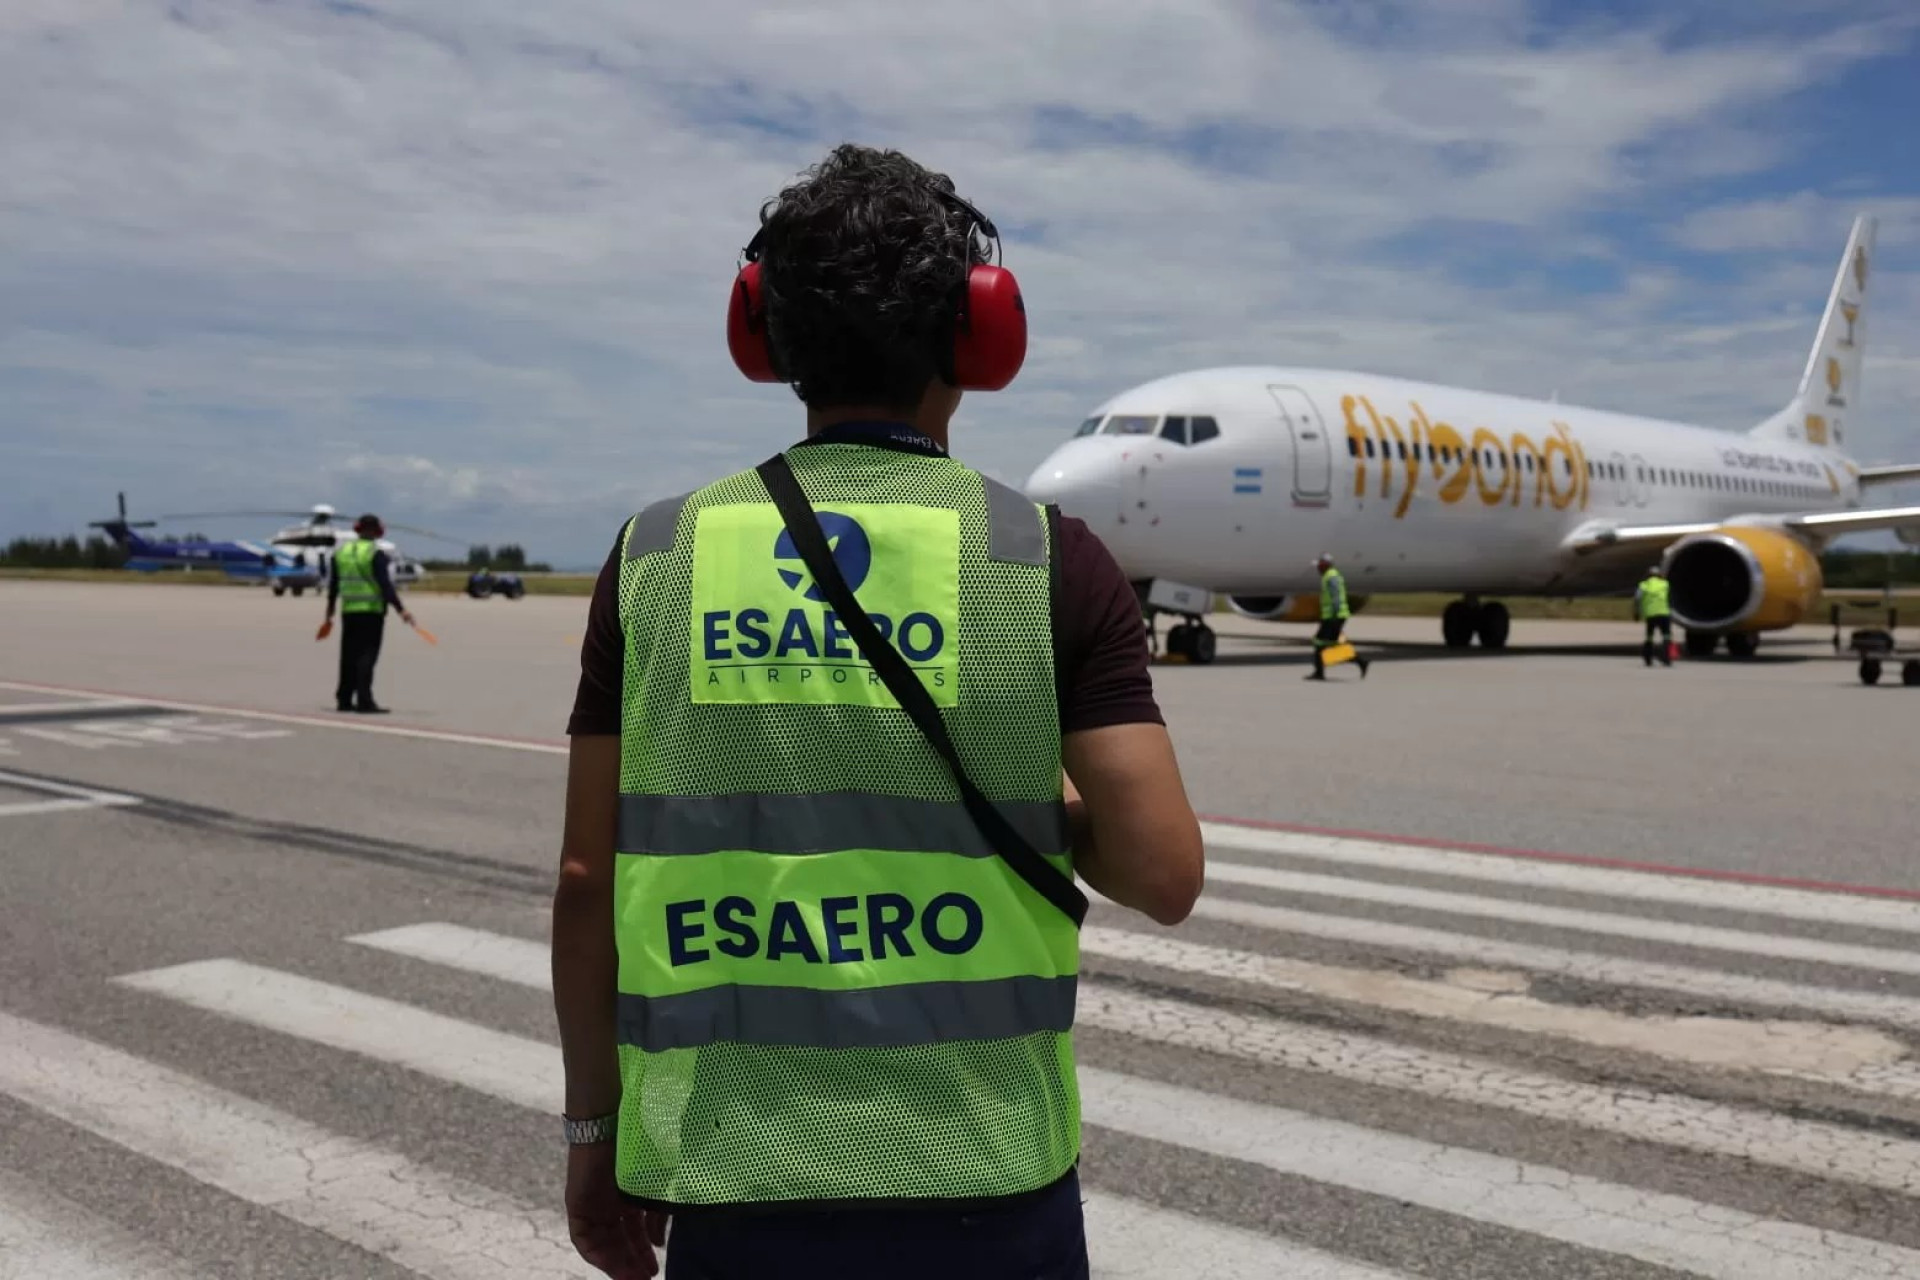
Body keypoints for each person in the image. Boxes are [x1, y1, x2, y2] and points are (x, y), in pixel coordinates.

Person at [550, 143, 1206, 1280]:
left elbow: (584, 882)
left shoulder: (657, 554)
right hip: (986, 1172)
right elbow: (1162, 873)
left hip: (733, 1166)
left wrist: (593, 1134)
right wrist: (1033, 789)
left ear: (762, 334)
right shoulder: (1046, 560)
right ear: (980, 337)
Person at [323, 513, 414, 713]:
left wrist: (329, 611)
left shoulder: (341, 552)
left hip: (348, 611)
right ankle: (365, 700)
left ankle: (344, 699)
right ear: (376, 531)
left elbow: (333, 585)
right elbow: (385, 585)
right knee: (367, 656)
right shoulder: (374, 553)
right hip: (371, 612)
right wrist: (401, 610)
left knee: (348, 656)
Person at [1306, 554, 1368, 681]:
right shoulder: (1330, 575)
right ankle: (1359, 662)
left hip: (1334, 617)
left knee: (1321, 643)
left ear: (1325, 565)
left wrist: (1333, 615)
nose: (1317, 568)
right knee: (1325, 644)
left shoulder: (1331, 577)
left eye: (1319, 565)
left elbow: (1336, 598)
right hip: (1333, 616)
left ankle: (1320, 673)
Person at [1635, 564, 1673, 667]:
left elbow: (1637, 599)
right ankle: (1667, 658)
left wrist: (1637, 612)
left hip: (1650, 615)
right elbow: (1670, 598)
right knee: (1666, 636)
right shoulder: (1665, 584)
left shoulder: (1643, 585)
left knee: (1649, 637)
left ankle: (1648, 658)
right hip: (1664, 614)